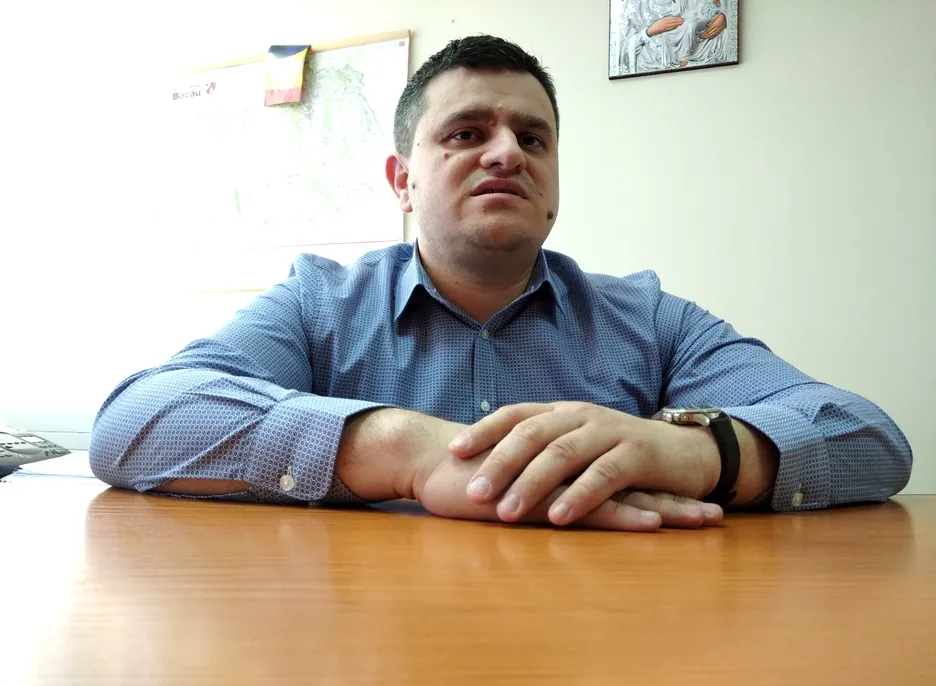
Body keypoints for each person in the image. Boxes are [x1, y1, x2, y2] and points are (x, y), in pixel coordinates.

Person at [89, 35, 912, 532]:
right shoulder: (317, 304)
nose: (508, 153)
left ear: (553, 181)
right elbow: (134, 422)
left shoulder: (653, 319)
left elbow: (872, 439)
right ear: (402, 181)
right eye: (465, 133)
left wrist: (704, 453)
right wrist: (403, 452)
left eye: (533, 138)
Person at [613, 0, 732, 75]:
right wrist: (650, 31)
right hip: (654, 75)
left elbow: (719, 8)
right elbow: (620, 51)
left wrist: (725, 18)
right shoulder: (633, 5)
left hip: (707, 66)